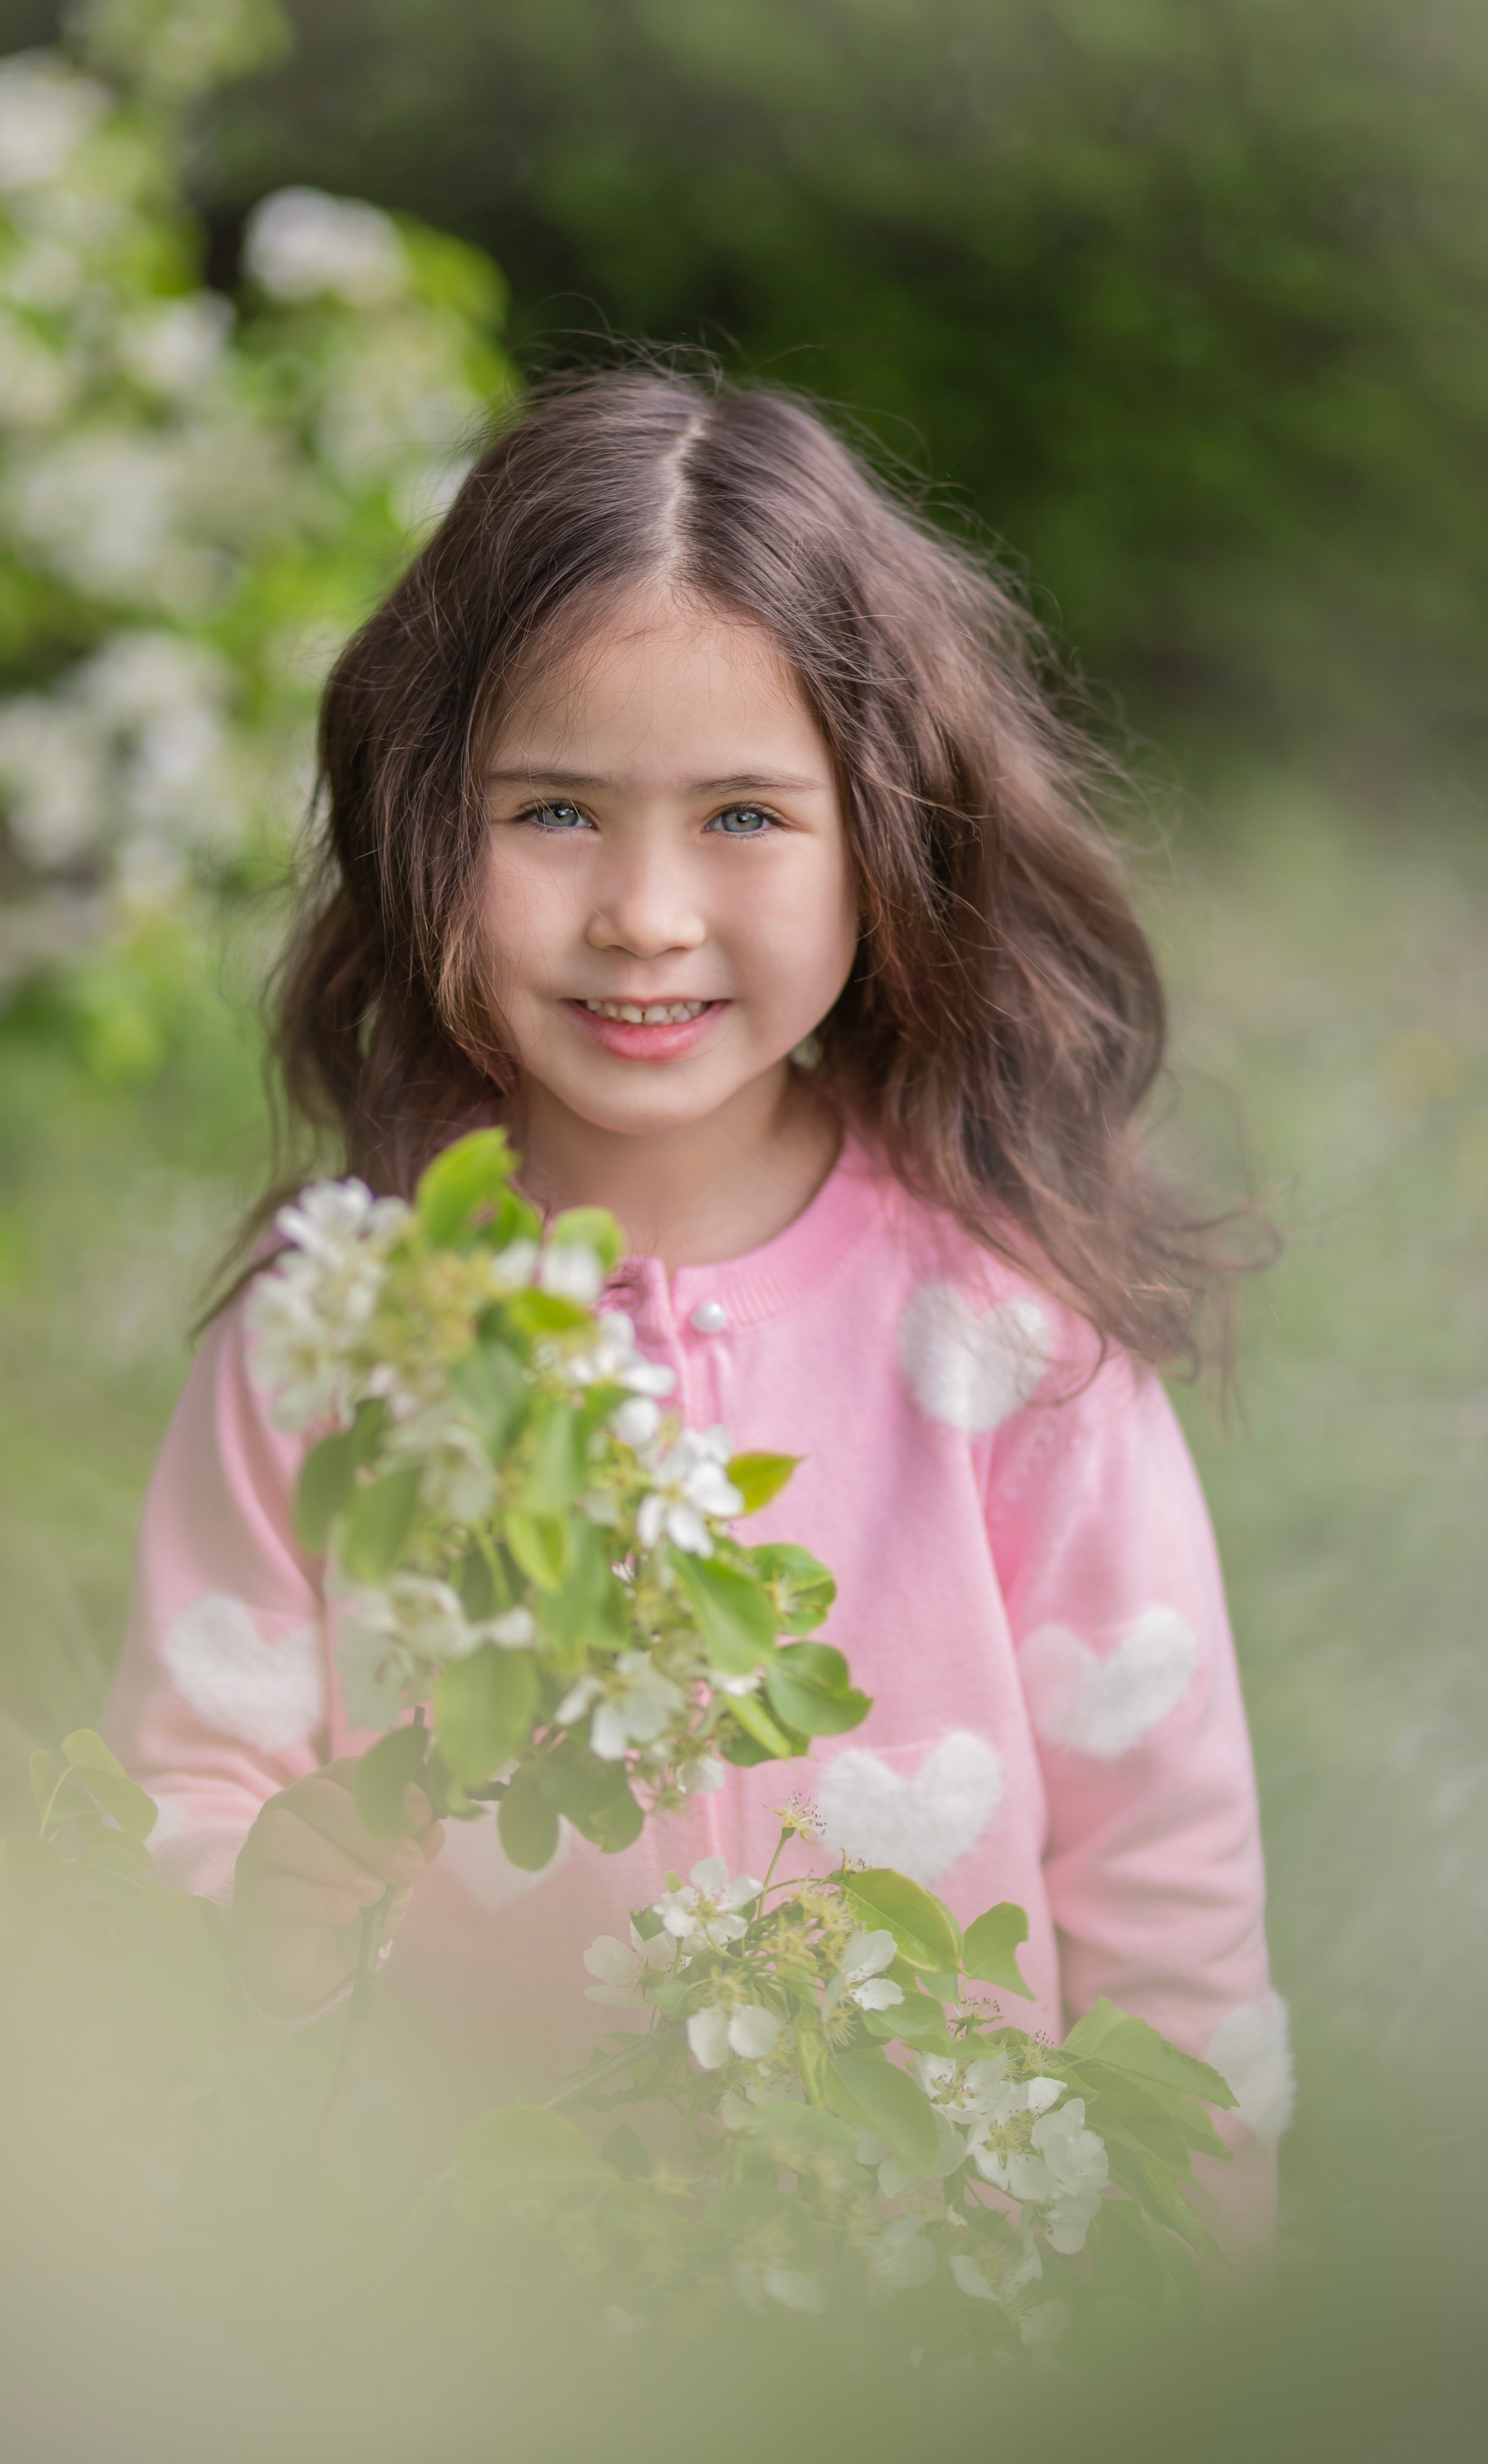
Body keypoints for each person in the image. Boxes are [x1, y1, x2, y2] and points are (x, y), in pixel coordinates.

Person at [103, 366, 1290, 2230]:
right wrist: (256, 1917)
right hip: (466, 2307)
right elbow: (190, 1770)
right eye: (556, 809)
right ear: (428, 825)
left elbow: (1165, 1873)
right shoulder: (349, 1333)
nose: (645, 911)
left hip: (924, 2316)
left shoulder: (1005, 1344)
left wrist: (1200, 2291)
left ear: (887, 839)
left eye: (743, 815)